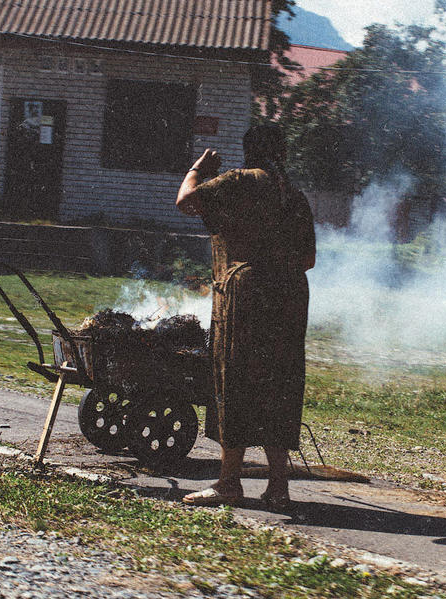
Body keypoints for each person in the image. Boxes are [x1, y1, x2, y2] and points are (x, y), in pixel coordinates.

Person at [176, 124, 316, 510]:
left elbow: (186, 202)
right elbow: (308, 260)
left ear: (248, 151)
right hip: (290, 296)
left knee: (234, 379)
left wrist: (197, 169)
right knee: (280, 384)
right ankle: (278, 486)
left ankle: (228, 482)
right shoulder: (294, 194)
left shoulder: (238, 181)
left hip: (246, 295)